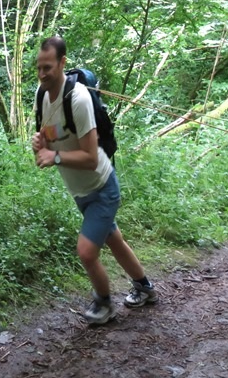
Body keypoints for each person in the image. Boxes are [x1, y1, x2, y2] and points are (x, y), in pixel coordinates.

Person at [32, 36, 158, 325]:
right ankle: (145, 288)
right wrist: (40, 145)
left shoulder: (78, 98)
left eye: (48, 67)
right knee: (114, 240)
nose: (42, 74)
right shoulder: (42, 94)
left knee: (87, 252)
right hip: (80, 192)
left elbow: (90, 156)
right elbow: (50, 138)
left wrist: (56, 158)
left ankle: (103, 303)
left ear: (62, 63)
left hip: (101, 187)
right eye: (38, 68)